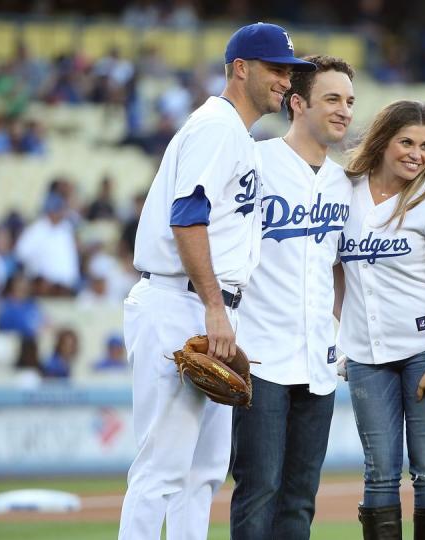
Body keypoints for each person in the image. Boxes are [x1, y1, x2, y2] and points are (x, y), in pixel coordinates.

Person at [118, 23, 315, 540]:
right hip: (181, 302)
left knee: (202, 472)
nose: (285, 81)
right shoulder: (216, 128)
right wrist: (212, 307)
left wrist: (219, 308)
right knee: (162, 467)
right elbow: (187, 216)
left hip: (209, 304)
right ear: (240, 69)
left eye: (290, 72)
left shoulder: (238, 136)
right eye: (276, 69)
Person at [229, 55, 355, 539]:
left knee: (301, 498)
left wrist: (339, 331)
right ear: (297, 102)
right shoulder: (254, 162)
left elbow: (345, 270)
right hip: (259, 355)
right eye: (332, 99)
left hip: (318, 361)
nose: (344, 110)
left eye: (349, 100)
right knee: (258, 489)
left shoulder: (346, 184)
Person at [338, 100, 425, 538]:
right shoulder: (344, 190)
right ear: (382, 140)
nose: (417, 153)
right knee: (379, 472)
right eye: (406, 142)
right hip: (365, 353)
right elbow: (337, 274)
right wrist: (342, 337)